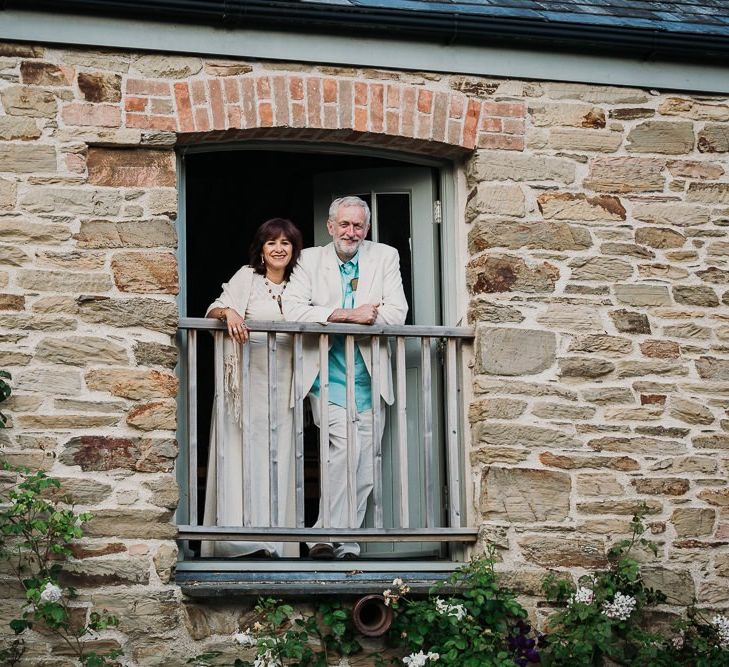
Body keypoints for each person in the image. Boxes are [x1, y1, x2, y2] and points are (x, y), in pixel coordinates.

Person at [284, 196, 408, 559]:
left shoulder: (385, 256)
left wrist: (364, 317)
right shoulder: (309, 259)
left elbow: (396, 314)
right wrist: (347, 315)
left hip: (370, 376)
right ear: (330, 227)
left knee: (365, 462)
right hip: (329, 375)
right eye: (344, 224)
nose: (350, 232)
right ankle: (325, 535)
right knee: (340, 455)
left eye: (357, 226)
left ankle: (346, 542)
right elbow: (293, 311)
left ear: (366, 229)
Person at [202, 218, 303, 558]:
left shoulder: (300, 284)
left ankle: (277, 543)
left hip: (285, 386)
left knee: (279, 459)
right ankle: (240, 542)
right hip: (246, 387)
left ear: (293, 249)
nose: (278, 248)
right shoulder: (248, 278)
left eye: (285, 243)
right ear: (261, 248)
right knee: (244, 456)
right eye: (272, 242)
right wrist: (228, 311)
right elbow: (213, 307)